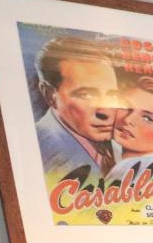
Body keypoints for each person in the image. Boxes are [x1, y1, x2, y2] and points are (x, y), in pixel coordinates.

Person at [32, 35, 120, 179]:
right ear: (49, 95)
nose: (106, 112)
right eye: (86, 95)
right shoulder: (37, 150)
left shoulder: (120, 148)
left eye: (112, 95)